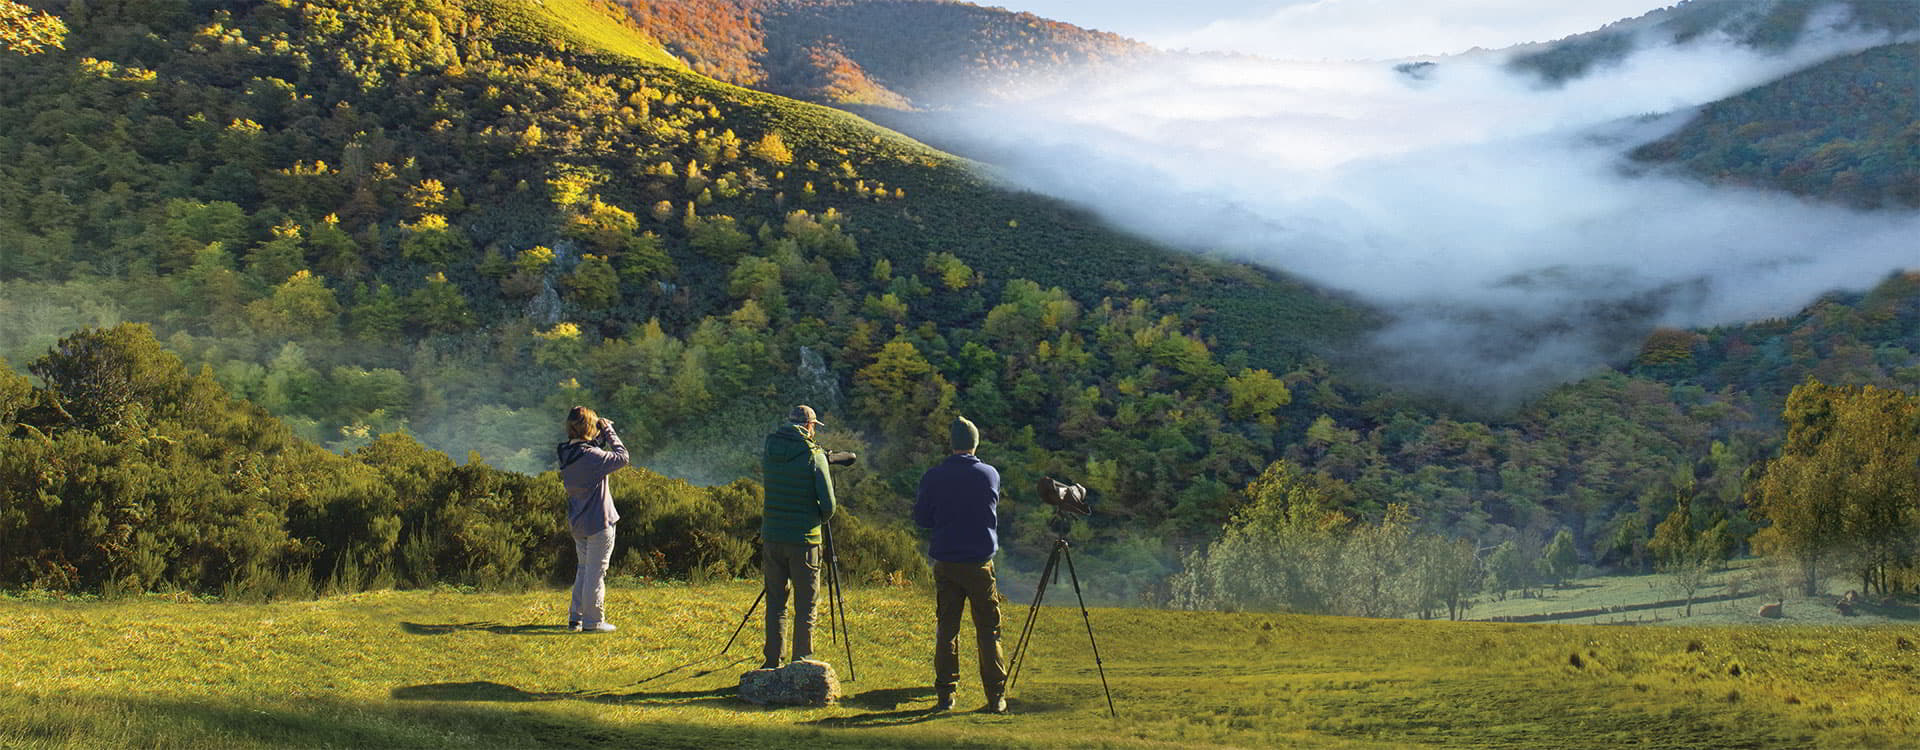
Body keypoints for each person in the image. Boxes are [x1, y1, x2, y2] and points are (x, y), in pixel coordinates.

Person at [913, 415, 1007, 713]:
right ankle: (996, 696)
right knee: (988, 630)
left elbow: (922, 519)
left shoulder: (933, 476)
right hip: (979, 563)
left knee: (947, 629)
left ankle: (945, 694)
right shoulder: (989, 474)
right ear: (975, 444)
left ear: (951, 444)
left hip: (947, 561)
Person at [759, 404, 837, 669]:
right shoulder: (813, 455)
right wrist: (814, 521)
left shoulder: (770, 449)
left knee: (776, 602)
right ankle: (801, 660)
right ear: (809, 426)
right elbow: (829, 505)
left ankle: (772, 660)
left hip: (772, 536)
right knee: (805, 604)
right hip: (804, 540)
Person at [558, 406, 628, 633]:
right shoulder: (591, 456)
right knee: (596, 572)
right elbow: (622, 457)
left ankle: (575, 617)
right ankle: (593, 621)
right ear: (590, 427)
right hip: (599, 520)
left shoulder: (567, 452)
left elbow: (588, 450)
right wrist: (608, 431)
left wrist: (597, 435)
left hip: (578, 520)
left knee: (584, 568)